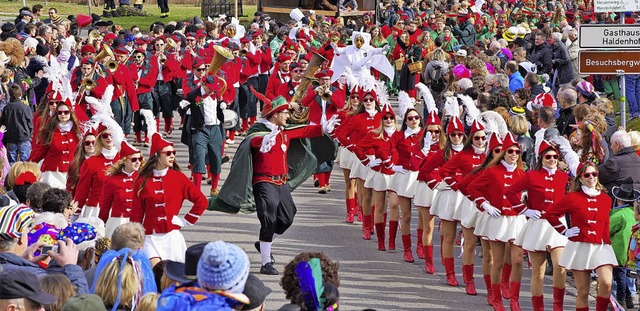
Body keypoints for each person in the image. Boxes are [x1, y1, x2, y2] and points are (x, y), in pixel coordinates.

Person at [249, 95, 339, 275]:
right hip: (264, 181)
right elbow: (252, 141)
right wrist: (265, 141)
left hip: (281, 182)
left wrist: (323, 128)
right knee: (269, 219)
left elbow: (303, 132)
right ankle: (266, 262)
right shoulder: (259, 131)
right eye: (285, 113)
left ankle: (264, 243)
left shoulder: (283, 131)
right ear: (275, 114)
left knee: (288, 217)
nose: (288, 116)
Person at [542, 162, 616, 311]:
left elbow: (606, 225)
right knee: (582, 292)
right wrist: (564, 231)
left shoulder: (606, 199)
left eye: (594, 174)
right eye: (587, 175)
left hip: (601, 247)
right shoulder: (572, 198)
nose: (591, 178)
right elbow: (550, 214)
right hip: (580, 247)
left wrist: (609, 245)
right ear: (580, 178)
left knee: (606, 283)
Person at [506, 140, 569, 310]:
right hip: (538, 224)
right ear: (541, 158)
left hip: (558, 225)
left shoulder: (564, 176)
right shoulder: (531, 175)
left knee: (560, 265)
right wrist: (525, 211)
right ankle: (538, 308)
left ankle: (558, 306)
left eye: (555, 156)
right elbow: (510, 192)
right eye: (548, 156)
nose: (552, 159)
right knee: (538, 272)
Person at [467, 132, 527, 311]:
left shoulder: (521, 173)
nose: (514, 155)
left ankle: (514, 299)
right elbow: (472, 188)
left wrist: (526, 197)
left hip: (516, 220)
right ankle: (496, 297)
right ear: (504, 153)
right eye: (510, 152)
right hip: (498, 220)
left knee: (517, 260)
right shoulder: (492, 171)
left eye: (517, 152)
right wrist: (485, 204)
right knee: (497, 261)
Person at [130, 133, 207, 266]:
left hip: (172, 238)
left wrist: (185, 220)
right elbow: (136, 214)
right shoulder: (142, 181)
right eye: (168, 153)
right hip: (149, 238)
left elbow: (201, 201)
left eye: (174, 152)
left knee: (171, 278)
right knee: (154, 274)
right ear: (157, 155)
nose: (172, 156)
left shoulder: (179, 178)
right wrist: (135, 240)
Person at [437, 118, 487, 294]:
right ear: (470, 139)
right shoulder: (462, 155)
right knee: (450, 237)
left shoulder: (491, 156)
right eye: (477, 138)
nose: (480, 141)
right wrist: (457, 185)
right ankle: (451, 273)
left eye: (483, 138)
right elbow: (444, 171)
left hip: (482, 204)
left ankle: (469, 277)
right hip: (464, 201)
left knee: (472, 243)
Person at [353, 103, 398, 253]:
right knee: (379, 206)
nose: (389, 120)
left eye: (391, 117)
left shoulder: (400, 134)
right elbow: (358, 148)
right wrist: (368, 162)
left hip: (396, 174)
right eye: (385, 118)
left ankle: (391, 239)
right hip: (380, 174)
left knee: (394, 205)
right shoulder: (374, 134)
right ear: (381, 120)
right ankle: (380, 240)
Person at [388, 108, 423, 262]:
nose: (414, 120)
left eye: (416, 117)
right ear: (406, 121)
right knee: (407, 215)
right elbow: (384, 149)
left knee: (423, 215)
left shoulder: (426, 134)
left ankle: (421, 246)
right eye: (410, 118)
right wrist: (392, 165)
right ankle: (407, 249)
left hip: (422, 177)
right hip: (405, 176)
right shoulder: (399, 135)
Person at [28, 101, 81, 189]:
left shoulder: (77, 132)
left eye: (66, 112)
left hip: (72, 173)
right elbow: (41, 150)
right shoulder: (49, 131)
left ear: (71, 113)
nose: (63, 115)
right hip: (53, 173)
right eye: (59, 112)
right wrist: (29, 163)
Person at [99, 141, 143, 238]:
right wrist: (101, 224)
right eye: (134, 159)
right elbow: (105, 205)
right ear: (124, 160)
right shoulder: (112, 180)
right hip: (117, 222)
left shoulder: (142, 179)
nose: (137, 162)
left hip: (137, 223)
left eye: (140, 159)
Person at [608, 184, 639, 307]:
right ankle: (629, 300)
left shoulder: (618, 215)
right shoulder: (634, 213)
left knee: (620, 277)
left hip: (619, 251)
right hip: (632, 252)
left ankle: (621, 301)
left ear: (618, 199)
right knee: (627, 276)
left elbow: (607, 230)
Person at [1, 84, 33, 164]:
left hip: (11, 137)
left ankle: (13, 176)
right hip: (24, 136)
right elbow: (30, 122)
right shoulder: (25, 107)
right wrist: (31, 134)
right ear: (20, 94)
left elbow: (3, 123)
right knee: (25, 161)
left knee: (12, 161)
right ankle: (25, 176)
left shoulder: (7, 108)